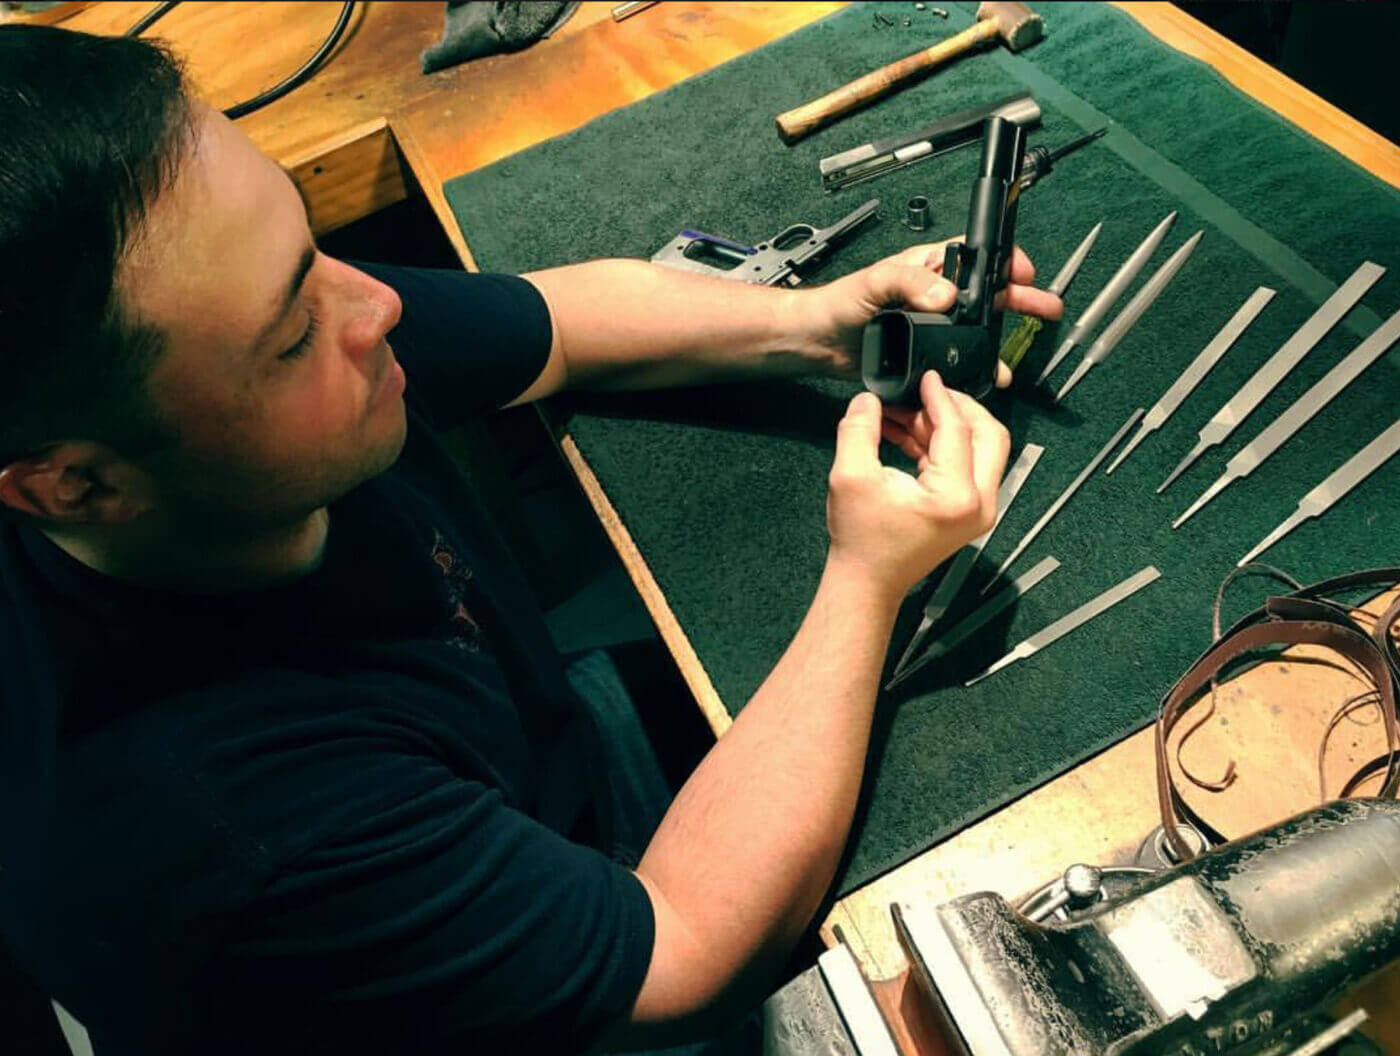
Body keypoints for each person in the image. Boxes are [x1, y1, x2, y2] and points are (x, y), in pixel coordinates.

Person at [0, 24, 1061, 1056]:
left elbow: (552, 323)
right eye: (290, 335)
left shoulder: (240, 347)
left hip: (526, 757)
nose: (371, 302)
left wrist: (818, 325)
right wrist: (867, 578)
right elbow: (680, 958)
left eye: (312, 251)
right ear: (73, 484)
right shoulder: (234, 832)